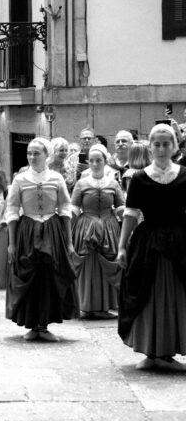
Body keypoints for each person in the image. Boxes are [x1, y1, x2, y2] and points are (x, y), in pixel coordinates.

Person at [117, 123, 186, 370]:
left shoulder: (185, 175)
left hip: (179, 243)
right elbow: (130, 214)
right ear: (150, 147)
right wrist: (122, 247)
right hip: (148, 244)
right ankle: (150, 351)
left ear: (174, 147)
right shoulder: (139, 178)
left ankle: (169, 352)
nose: (161, 148)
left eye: (166, 144)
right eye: (156, 144)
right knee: (145, 294)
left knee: (177, 295)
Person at [5, 137, 79, 341]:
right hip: (27, 230)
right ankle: (32, 324)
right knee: (30, 275)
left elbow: (65, 208)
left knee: (49, 276)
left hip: (51, 230)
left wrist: (69, 242)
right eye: (29, 153)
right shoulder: (20, 180)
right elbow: (11, 209)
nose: (31, 157)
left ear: (47, 155)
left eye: (36, 153)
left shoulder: (56, 178)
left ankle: (44, 325)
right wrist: (12, 243)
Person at [70, 144, 124, 320]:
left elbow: (120, 206)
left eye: (98, 160)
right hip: (86, 229)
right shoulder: (81, 183)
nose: (94, 164)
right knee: (87, 267)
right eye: (91, 160)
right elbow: (74, 207)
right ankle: (87, 306)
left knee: (106, 266)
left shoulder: (114, 183)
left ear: (105, 161)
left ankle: (104, 306)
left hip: (109, 228)